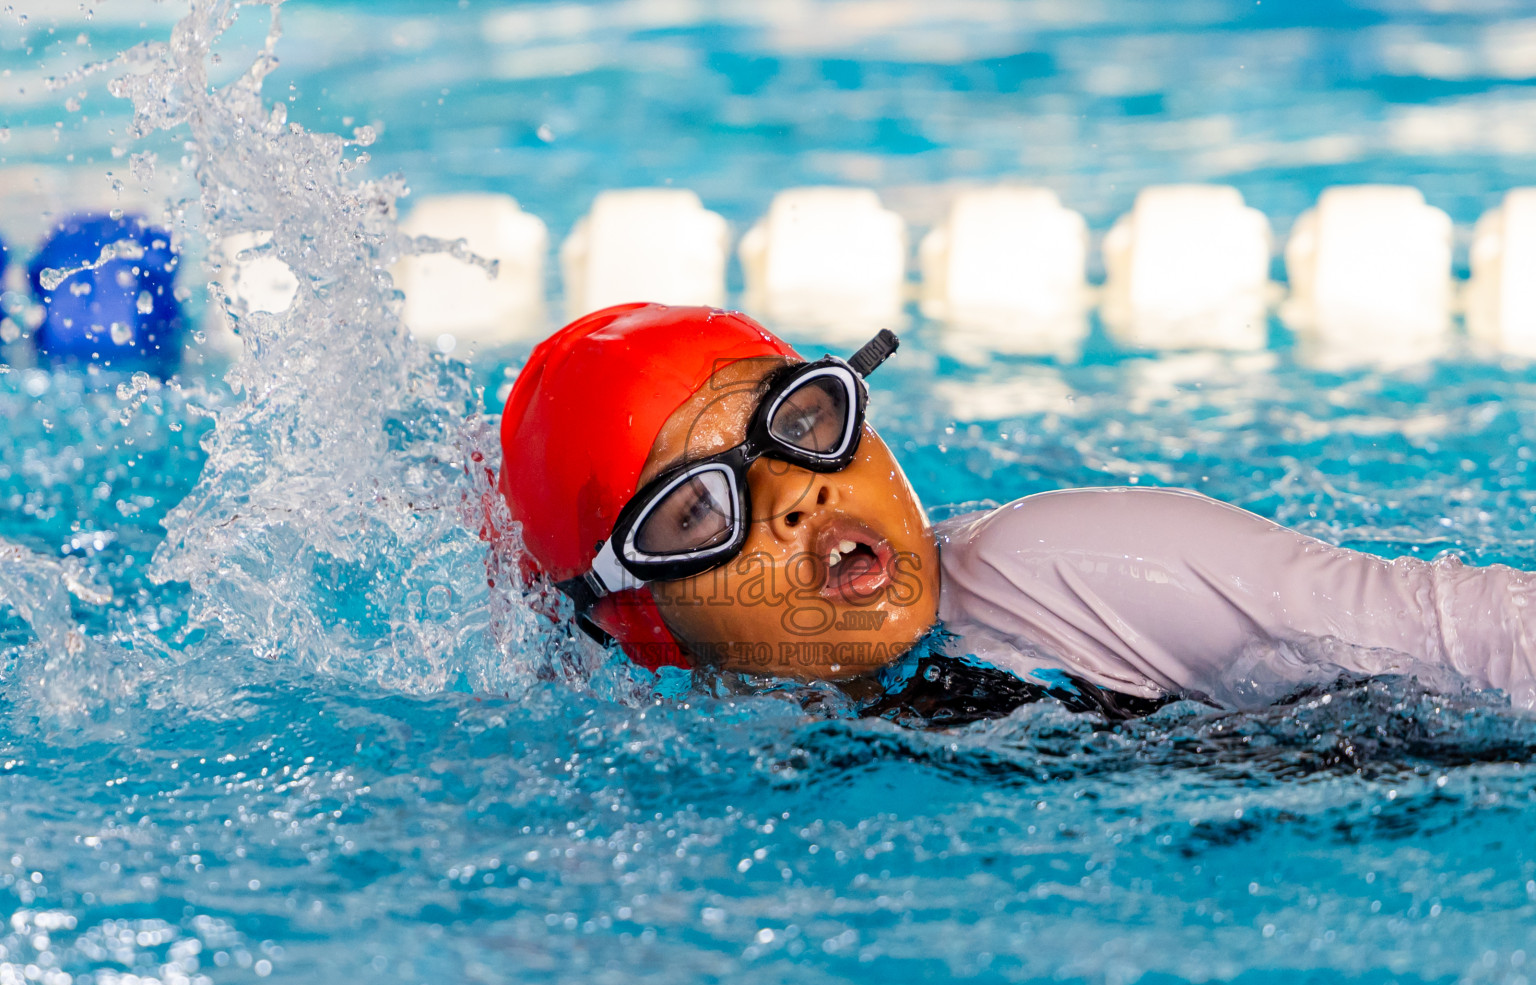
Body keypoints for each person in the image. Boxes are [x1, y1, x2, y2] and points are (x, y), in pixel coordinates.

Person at [496, 302, 1536, 720]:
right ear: (640, 617)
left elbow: (1459, 631)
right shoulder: (674, 741)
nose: (795, 496)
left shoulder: (1074, 564)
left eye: (806, 422)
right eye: (695, 513)